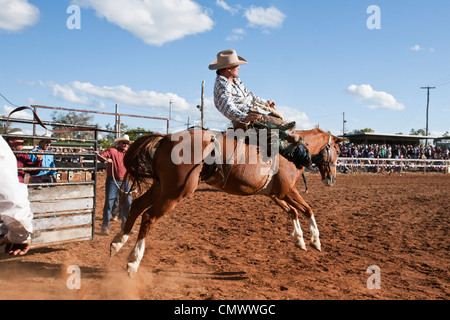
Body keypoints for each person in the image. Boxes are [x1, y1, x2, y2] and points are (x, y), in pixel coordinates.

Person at [209, 49, 323, 168]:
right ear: (228, 68)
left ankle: (302, 154)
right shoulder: (222, 85)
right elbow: (227, 107)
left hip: (252, 114)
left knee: (280, 126)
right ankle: (304, 157)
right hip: (244, 120)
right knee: (278, 129)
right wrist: (244, 117)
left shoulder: (235, 80)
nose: (239, 67)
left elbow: (250, 95)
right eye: (236, 65)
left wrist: (265, 102)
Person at [0, 134, 35, 255]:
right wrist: (19, 235)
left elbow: (35, 169)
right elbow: (10, 196)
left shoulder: (23, 156)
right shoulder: (5, 153)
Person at [98, 135, 132, 235]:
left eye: (127, 143)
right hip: (113, 180)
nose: (126, 145)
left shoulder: (128, 154)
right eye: (124, 143)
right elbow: (99, 156)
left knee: (128, 203)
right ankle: (105, 227)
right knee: (109, 203)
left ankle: (125, 227)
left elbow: (132, 168)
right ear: (119, 143)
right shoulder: (112, 151)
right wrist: (105, 160)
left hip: (125, 181)